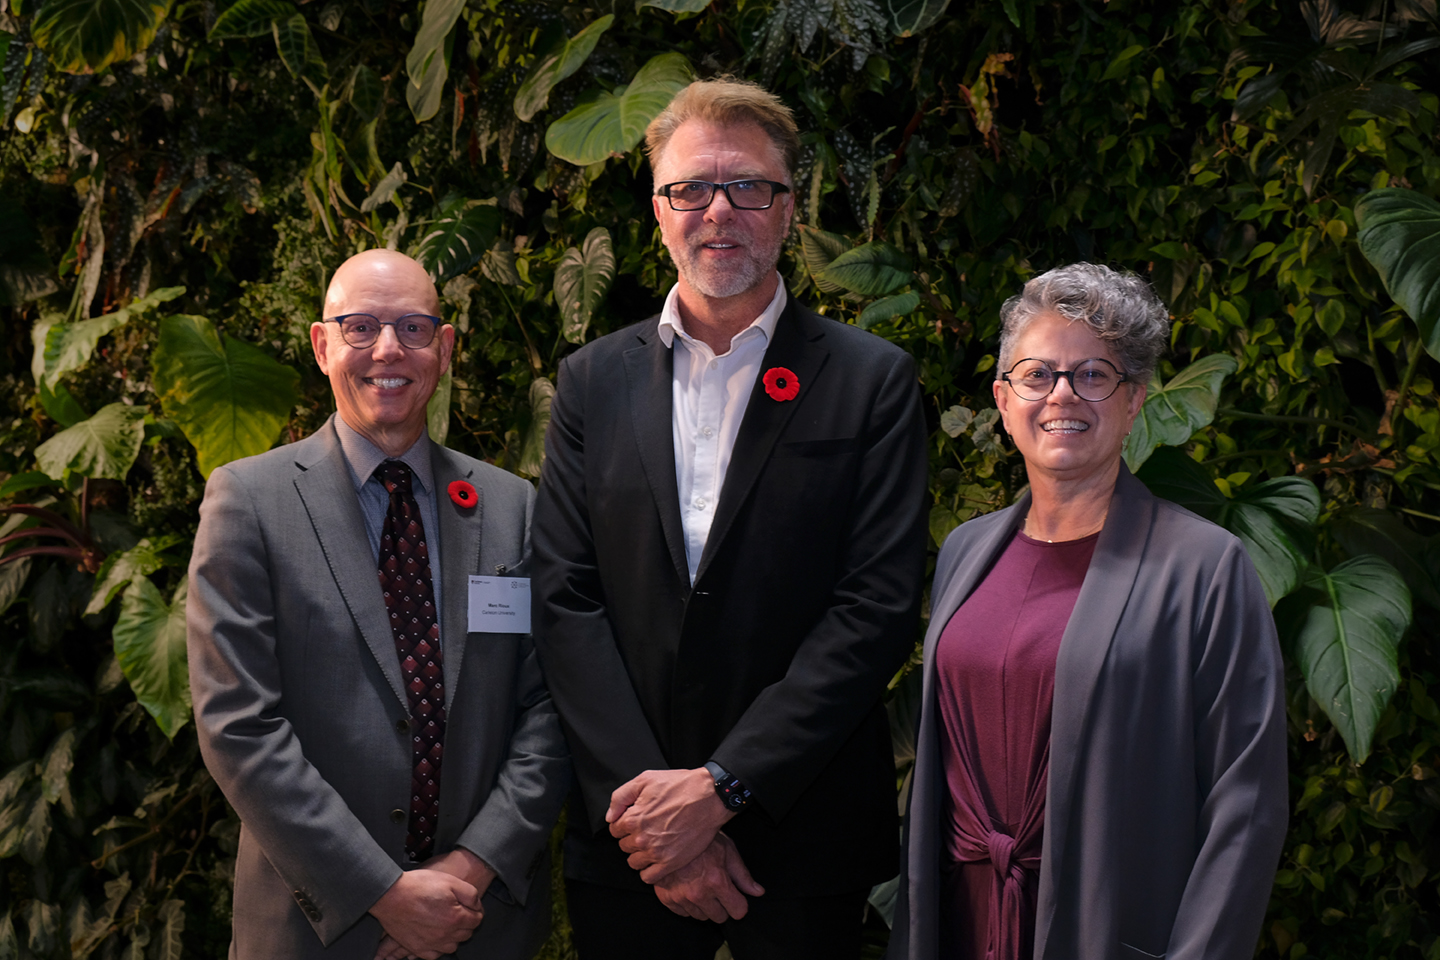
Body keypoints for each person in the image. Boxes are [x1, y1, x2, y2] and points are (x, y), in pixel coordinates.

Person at [529, 78, 929, 959]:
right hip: (628, 838)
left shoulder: (871, 382)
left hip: (804, 829)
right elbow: (564, 596)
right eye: (691, 190)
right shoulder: (591, 382)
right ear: (659, 209)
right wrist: (657, 818)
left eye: (750, 187)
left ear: (788, 210)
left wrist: (723, 787)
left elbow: (877, 604)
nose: (721, 212)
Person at [889, 263, 1288, 960]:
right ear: (1003, 398)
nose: (1062, 395)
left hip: (1103, 926)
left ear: (1133, 401)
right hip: (960, 923)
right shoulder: (964, 550)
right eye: (1038, 374)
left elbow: (1245, 806)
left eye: (1094, 375)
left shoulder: (1204, 568)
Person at [187, 249, 569, 960]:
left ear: (445, 348)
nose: (387, 349)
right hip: (316, 933)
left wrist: (469, 870)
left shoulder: (512, 507)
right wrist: (383, 895)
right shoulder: (248, 501)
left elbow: (549, 708)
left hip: (478, 924)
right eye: (360, 327)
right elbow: (238, 725)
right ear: (322, 344)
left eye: (414, 329)